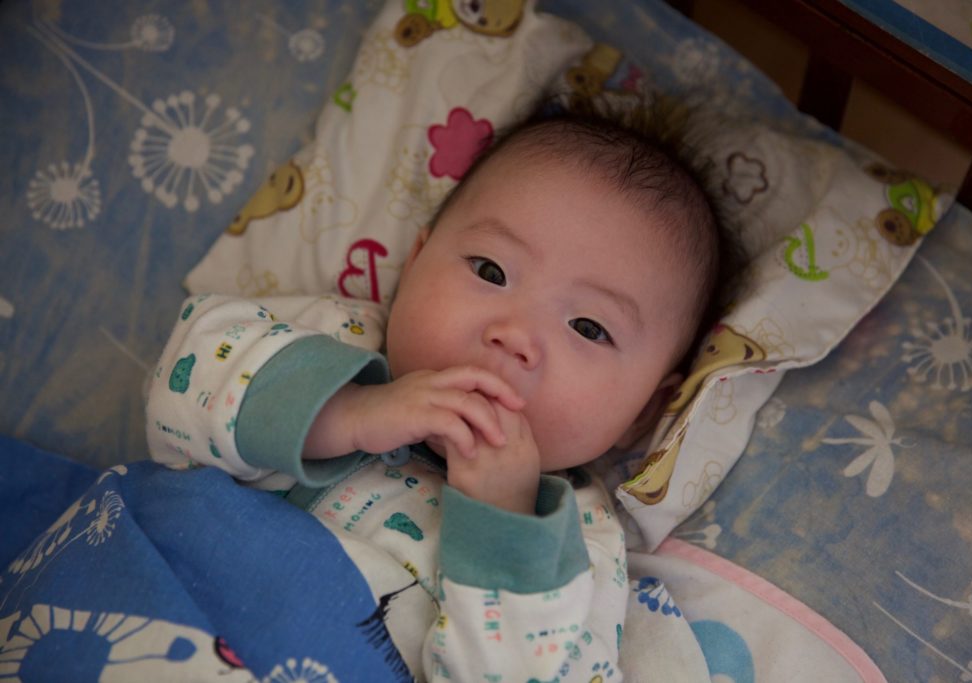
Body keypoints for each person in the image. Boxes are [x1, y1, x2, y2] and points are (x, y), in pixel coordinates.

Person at [145, 104, 724, 682]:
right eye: (491, 271)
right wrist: (350, 410)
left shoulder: (574, 545)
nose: (515, 335)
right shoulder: (339, 338)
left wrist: (503, 523)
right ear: (415, 263)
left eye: (589, 328)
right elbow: (181, 382)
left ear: (643, 411)